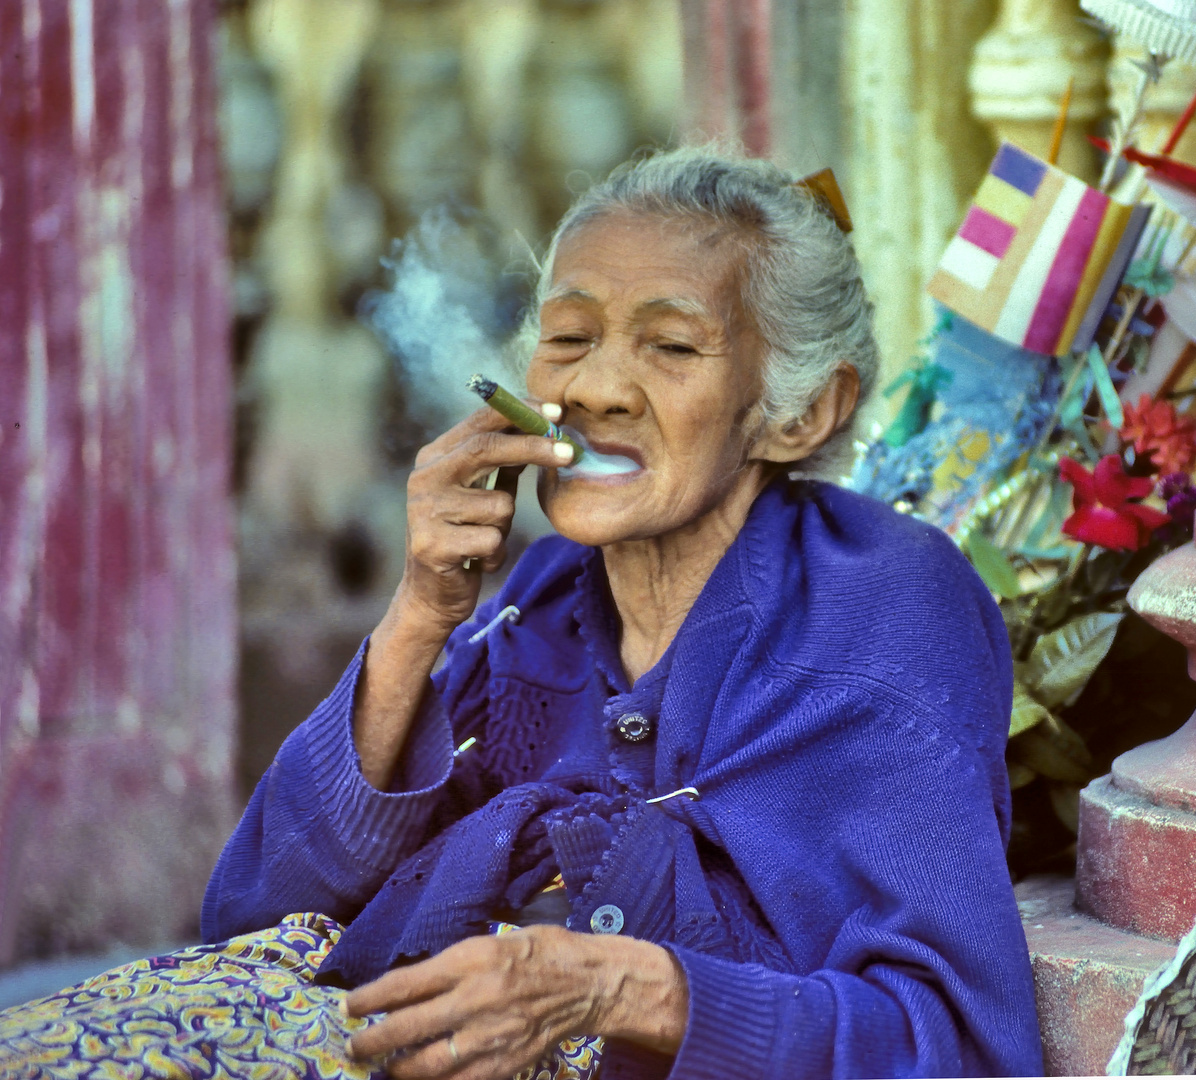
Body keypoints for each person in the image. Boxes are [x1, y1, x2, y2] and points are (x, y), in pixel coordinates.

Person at [0, 149, 1043, 1080]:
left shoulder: (884, 604)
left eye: (671, 349)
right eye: (568, 336)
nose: (594, 386)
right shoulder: (545, 601)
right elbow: (259, 911)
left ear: (797, 411)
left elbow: (955, 1042)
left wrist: (613, 991)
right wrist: (419, 614)